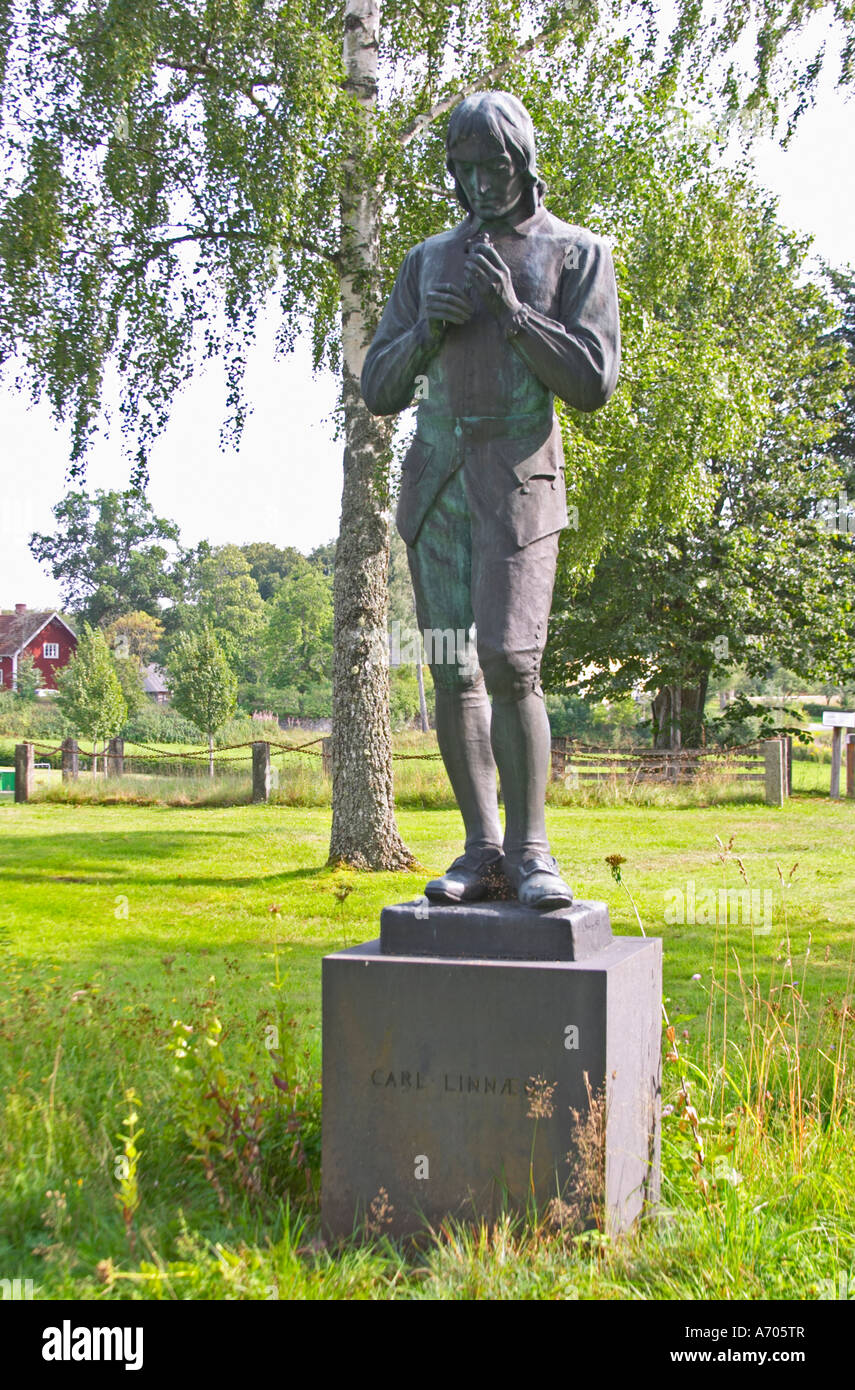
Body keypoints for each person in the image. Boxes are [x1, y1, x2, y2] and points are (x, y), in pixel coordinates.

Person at [361, 91, 620, 909]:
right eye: (464, 170)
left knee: (512, 659)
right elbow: (376, 388)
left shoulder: (576, 253)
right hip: (437, 483)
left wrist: (511, 314)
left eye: (493, 168)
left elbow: (591, 383)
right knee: (449, 666)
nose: (478, 184)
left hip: (517, 482)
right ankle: (480, 853)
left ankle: (531, 850)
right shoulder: (425, 259)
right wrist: (425, 332)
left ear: (524, 162)